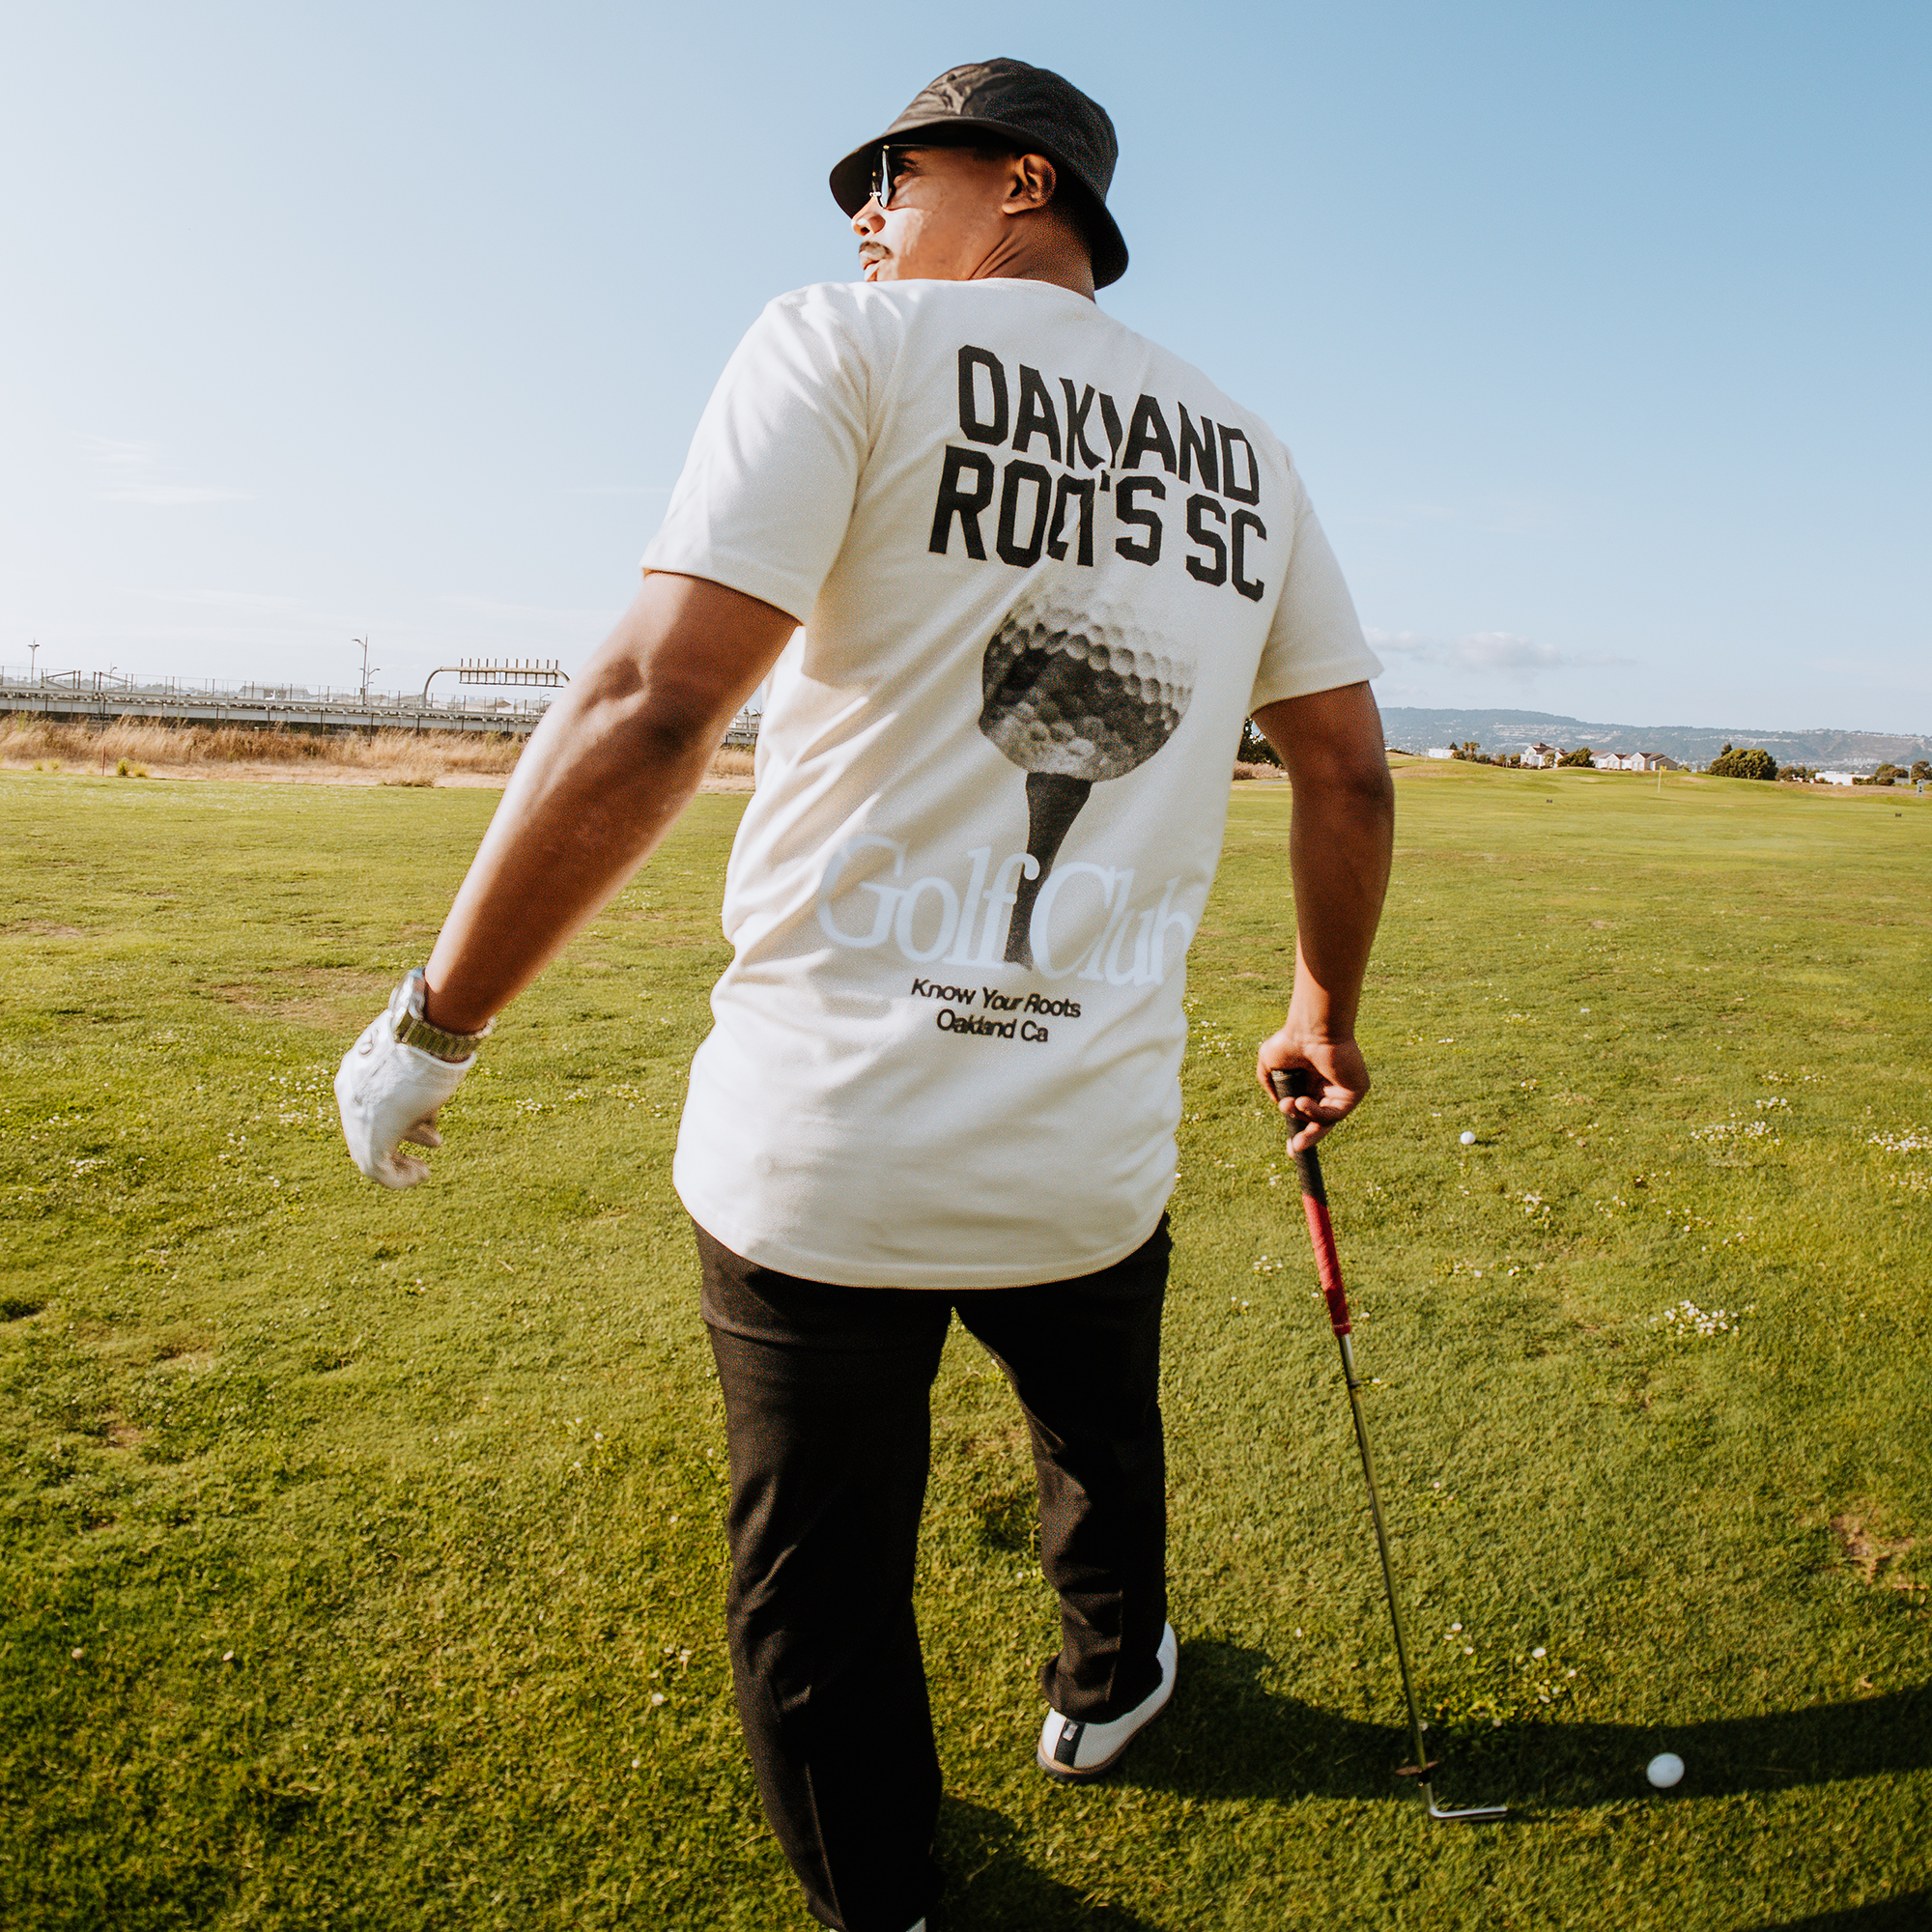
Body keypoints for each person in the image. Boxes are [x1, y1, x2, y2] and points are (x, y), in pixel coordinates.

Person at [335, 57, 1394, 1932]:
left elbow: (656, 702)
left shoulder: (839, 345)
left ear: (1023, 182)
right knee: (1097, 1432)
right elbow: (1345, 768)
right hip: (1093, 1148)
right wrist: (1320, 1004)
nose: (863, 217)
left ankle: (888, 1899)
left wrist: (435, 1016)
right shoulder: (1253, 449)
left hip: (823, 1155)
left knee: (819, 1573)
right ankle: (1116, 1676)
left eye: (895, 175)